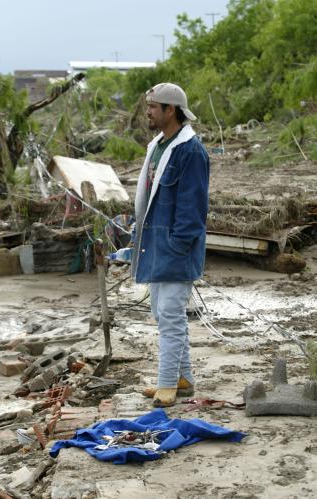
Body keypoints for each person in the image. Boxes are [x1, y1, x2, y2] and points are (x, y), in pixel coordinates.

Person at [130, 82, 209, 408]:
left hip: (176, 246)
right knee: (161, 314)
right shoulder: (159, 145)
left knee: (170, 314)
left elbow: (193, 207)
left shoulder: (191, 151)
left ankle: (167, 386)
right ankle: (183, 379)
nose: (148, 111)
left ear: (170, 110)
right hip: (155, 242)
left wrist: (179, 244)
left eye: (153, 106)